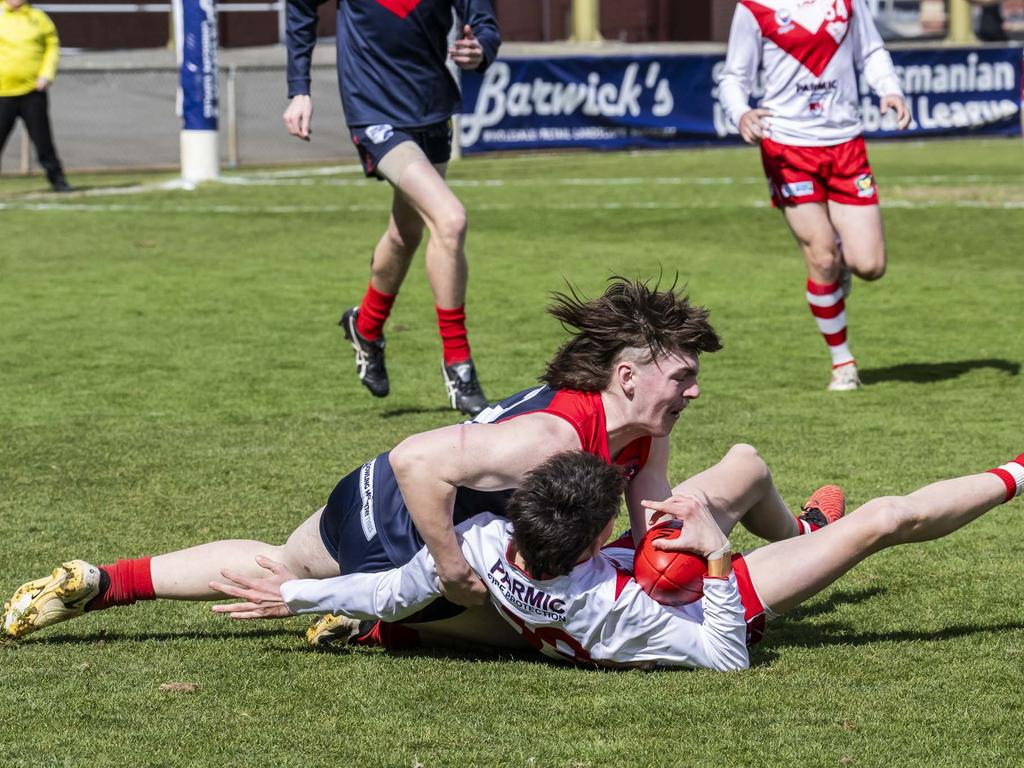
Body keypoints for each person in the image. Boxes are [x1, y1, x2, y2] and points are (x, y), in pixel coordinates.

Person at [2, 278, 830, 641]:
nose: (692, 390)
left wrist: (694, 558)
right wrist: (446, 563)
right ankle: (368, 621)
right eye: (682, 376)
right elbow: (414, 458)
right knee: (488, 611)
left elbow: (653, 524)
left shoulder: (642, 430)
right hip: (404, 508)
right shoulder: (550, 438)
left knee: (274, 564)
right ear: (626, 375)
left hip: (397, 510)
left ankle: (102, 581)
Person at [210, 447, 1024, 670]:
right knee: (884, 519)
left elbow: (397, 587)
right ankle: (1016, 473)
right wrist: (707, 558)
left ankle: (803, 527)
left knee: (738, 465)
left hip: (556, 613)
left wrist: (303, 597)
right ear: (604, 539)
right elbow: (721, 656)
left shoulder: (490, 546)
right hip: (697, 601)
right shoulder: (624, 608)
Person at [284, 0, 501, 416]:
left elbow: (484, 22)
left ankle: (365, 327)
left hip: (430, 106)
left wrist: (481, 49)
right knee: (450, 219)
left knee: (408, 233)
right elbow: (300, 8)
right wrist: (299, 88)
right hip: (373, 108)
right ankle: (459, 366)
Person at [718, 0, 911, 391]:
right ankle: (843, 362)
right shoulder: (755, 8)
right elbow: (733, 76)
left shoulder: (847, 3)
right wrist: (741, 112)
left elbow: (871, 51)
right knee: (821, 254)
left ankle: (841, 266)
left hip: (845, 144)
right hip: (787, 146)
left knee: (870, 265)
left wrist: (889, 90)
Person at [0, 0, 72, 192]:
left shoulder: (37, 17)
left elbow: (52, 45)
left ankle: (57, 180)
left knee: (43, 141)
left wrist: (46, 74)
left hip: (33, 92)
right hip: (3, 92)